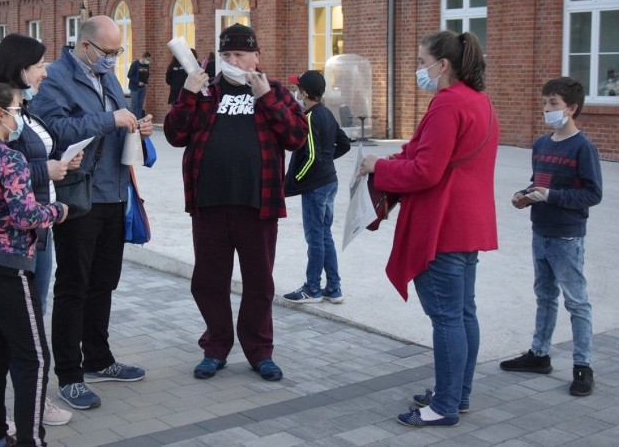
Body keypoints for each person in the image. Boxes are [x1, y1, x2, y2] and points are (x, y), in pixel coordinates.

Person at [359, 30, 499, 428]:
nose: (419, 70)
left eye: (422, 62)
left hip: (442, 225)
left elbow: (426, 170)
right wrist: (393, 161)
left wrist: (379, 168)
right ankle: (457, 394)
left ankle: (444, 406)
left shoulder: (447, 103)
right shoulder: (479, 100)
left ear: (444, 65)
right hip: (467, 223)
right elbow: (429, 154)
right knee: (463, 313)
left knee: (447, 319)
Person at [164, 23, 307, 382]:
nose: (232, 61)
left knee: (259, 282)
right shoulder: (205, 92)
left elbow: (296, 137)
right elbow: (175, 135)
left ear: (256, 57)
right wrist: (188, 93)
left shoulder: (272, 91)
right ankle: (215, 347)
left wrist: (266, 98)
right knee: (209, 281)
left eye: (240, 54)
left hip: (257, 205)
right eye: (226, 55)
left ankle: (260, 351)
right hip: (210, 204)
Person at [29, 15, 153, 411]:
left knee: (104, 282)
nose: (114, 60)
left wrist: (138, 125)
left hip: (114, 193)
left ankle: (99, 358)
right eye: (108, 52)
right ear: (85, 47)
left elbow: (116, 120)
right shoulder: (55, 78)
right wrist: (109, 119)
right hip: (79, 197)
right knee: (73, 286)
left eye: (118, 52)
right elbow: (55, 130)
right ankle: (69, 375)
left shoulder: (106, 77)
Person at [0, 34, 76, 436]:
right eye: (40, 63)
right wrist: (57, 211)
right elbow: (25, 214)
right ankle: (28, 437)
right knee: (33, 357)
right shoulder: (9, 158)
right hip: (9, 265)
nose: (45, 71)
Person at [499, 76, 602, 397]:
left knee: (576, 302)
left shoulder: (583, 147)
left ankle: (582, 366)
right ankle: (539, 354)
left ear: (571, 109)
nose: (547, 109)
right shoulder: (542, 144)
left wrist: (552, 196)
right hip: (540, 232)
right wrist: (524, 195)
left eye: (553, 104)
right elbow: (537, 182)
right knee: (544, 296)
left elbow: (592, 193)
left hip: (567, 237)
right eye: (545, 103)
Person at [283, 70, 351, 304]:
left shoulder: (310, 118)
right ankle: (334, 288)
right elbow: (343, 144)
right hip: (329, 182)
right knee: (325, 236)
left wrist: (297, 180)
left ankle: (312, 288)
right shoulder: (327, 114)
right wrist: (326, 161)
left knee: (314, 238)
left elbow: (311, 156)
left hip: (316, 187)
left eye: (297, 89)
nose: (295, 93)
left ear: (304, 93)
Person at [127, 51, 151, 118]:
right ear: (143, 58)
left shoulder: (147, 65)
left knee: (140, 105)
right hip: (134, 87)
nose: (148, 61)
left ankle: (138, 119)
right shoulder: (135, 64)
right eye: (147, 59)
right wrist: (138, 82)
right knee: (134, 104)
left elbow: (147, 75)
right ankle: (131, 118)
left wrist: (146, 82)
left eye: (149, 60)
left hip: (142, 88)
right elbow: (129, 75)